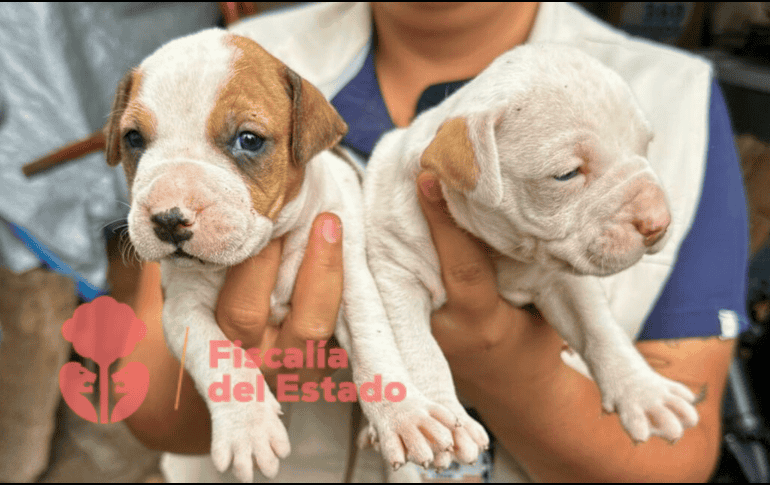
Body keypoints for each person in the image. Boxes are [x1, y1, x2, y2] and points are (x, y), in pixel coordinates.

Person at [122, 2, 750, 482]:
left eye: (249, 141)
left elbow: (674, 458)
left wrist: (489, 348)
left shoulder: (675, 95)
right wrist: (246, 381)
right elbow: (150, 409)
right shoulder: (215, 66)